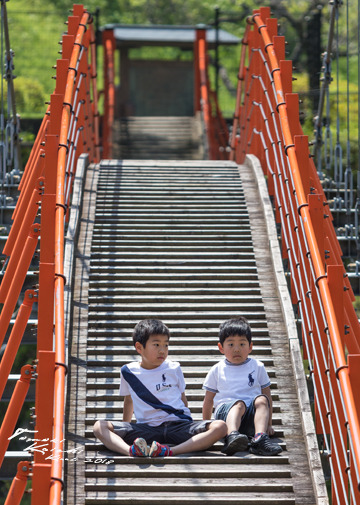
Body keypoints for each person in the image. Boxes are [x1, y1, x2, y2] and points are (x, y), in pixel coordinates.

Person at [93, 319, 227, 457]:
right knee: (99, 426)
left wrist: (188, 424)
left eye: (166, 345)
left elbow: (182, 399)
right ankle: (132, 451)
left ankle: (169, 451)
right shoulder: (128, 372)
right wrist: (125, 430)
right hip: (147, 429)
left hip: (178, 426)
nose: (162, 350)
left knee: (220, 426)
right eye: (156, 345)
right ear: (139, 347)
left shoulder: (174, 368)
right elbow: (129, 401)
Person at [202, 316, 282, 456]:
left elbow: (267, 396)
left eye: (242, 344)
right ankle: (232, 435)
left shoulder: (257, 366)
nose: (237, 349)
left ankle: (260, 438)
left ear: (250, 346)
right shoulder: (217, 369)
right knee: (238, 404)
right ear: (221, 347)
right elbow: (208, 400)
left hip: (250, 417)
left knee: (262, 399)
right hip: (225, 415)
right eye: (231, 344)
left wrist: (269, 424)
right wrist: (205, 426)